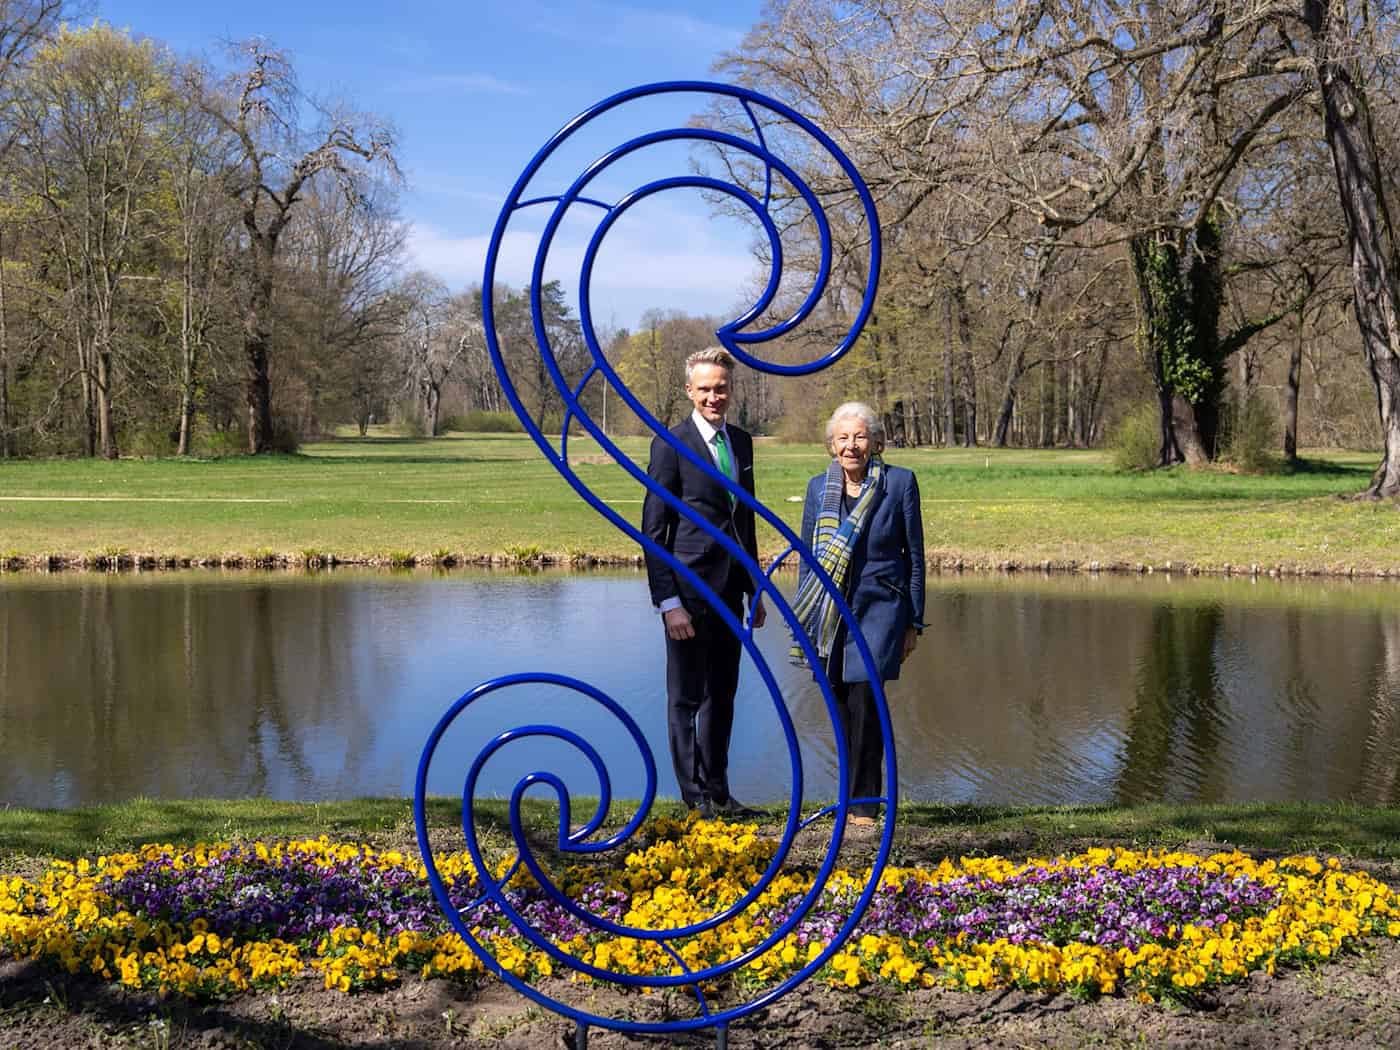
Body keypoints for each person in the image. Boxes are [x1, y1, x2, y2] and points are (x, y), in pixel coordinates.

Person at [641, 346, 766, 819]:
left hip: (731, 587)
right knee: (687, 697)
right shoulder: (670, 445)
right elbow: (653, 531)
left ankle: (719, 792)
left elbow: (744, 521)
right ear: (689, 391)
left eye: (721, 388)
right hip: (688, 591)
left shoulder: (742, 442)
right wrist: (668, 602)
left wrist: (754, 587)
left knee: (722, 695)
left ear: (731, 390)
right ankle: (694, 798)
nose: (714, 396)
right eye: (706, 389)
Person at [791, 402, 925, 827]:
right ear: (832, 445)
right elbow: (808, 558)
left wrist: (913, 622)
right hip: (829, 614)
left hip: (880, 611)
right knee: (839, 706)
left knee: (866, 702)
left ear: (876, 442)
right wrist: (805, 620)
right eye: (843, 438)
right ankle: (846, 797)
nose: (852, 446)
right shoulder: (818, 488)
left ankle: (865, 805)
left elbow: (915, 557)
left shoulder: (899, 483)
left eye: (860, 437)